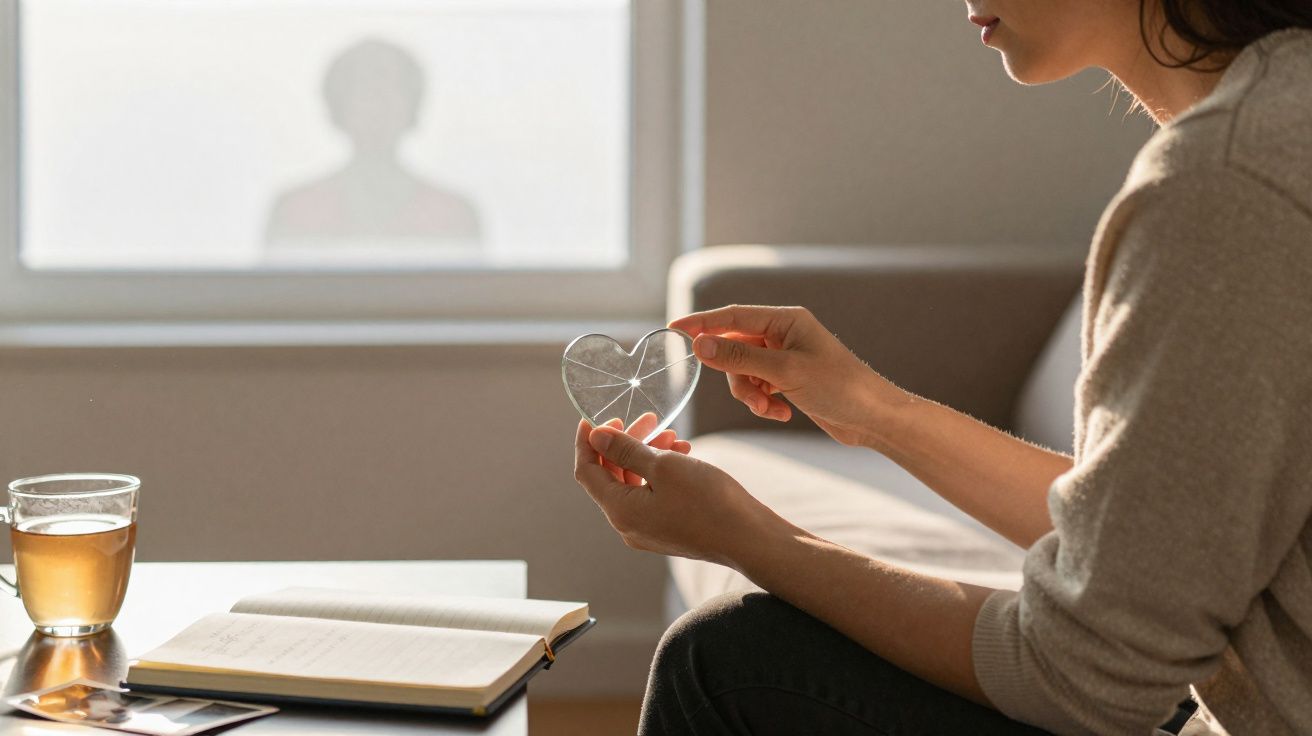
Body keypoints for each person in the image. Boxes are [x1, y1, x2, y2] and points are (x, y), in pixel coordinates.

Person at [570, 1, 1312, 734]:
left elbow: (1088, 675)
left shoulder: (1226, 183)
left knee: (727, 661)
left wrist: (742, 536)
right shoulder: (1276, 116)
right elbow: (1140, 543)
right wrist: (873, 411)